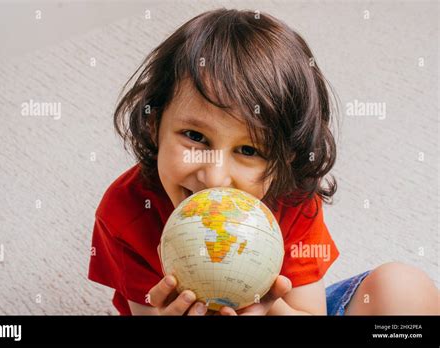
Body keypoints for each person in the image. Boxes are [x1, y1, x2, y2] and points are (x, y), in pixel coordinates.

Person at [88, 9, 438, 315]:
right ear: (154, 124)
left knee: (403, 289)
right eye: (195, 137)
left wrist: (271, 309)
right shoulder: (126, 211)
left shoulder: (292, 199)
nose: (215, 176)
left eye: (249, 151)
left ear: (285, 160)